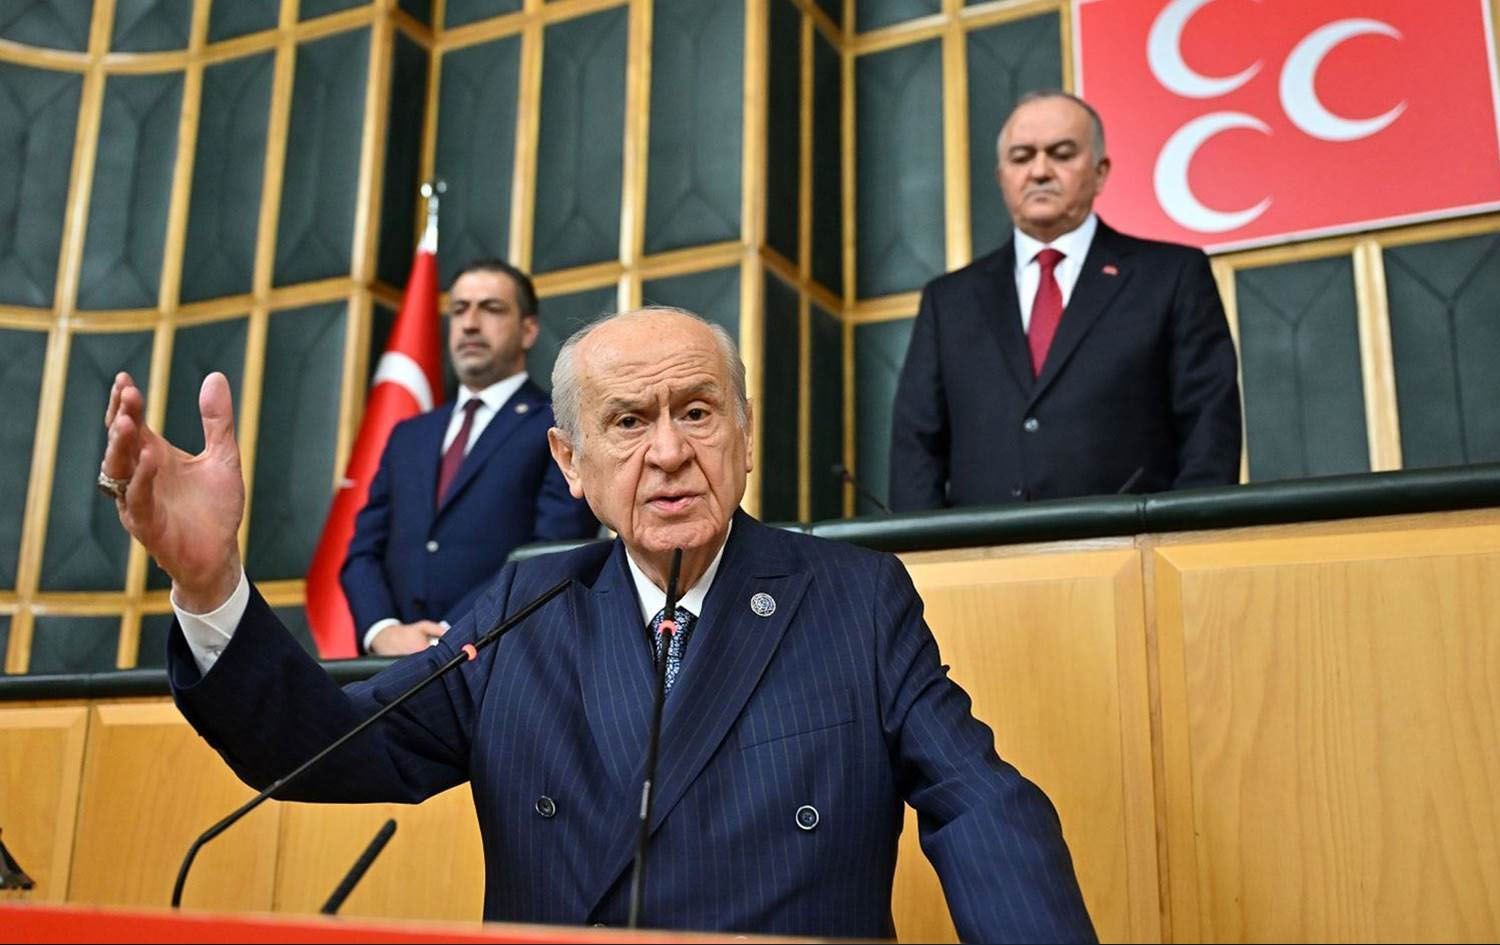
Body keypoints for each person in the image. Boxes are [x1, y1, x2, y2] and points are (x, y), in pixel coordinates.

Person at [98, 307, 1097, 942]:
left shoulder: (854, 599)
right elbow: (324, 749)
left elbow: (982, 807)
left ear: (745, 437)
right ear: (571, 465)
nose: (668, 452)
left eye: (697, 412)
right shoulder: (521, 610)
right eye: (628, 421)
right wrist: (210, 583)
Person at [890, 90, 1241, 510]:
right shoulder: (948, 301)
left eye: (1061, 154)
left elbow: (1208, 426)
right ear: (1002, 177)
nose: (1040, 171)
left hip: (1130, 544)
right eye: (1022, 157)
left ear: (1100, 172)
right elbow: (917, 449)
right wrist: (924, 547)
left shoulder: (1172, 276)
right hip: (982, 547)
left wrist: (1188, 534)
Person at [342, 258, 597, 655]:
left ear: (528, 330)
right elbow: (363, 551)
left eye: (491, 308)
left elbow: (552, 549)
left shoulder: (558, 426)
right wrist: (383, 630)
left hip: (501, 657)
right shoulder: (409, 434)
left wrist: (449, 634)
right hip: (392, 665)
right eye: (459, 309)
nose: (470, 324)